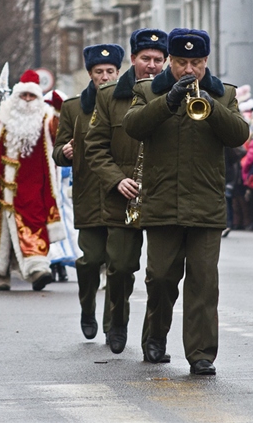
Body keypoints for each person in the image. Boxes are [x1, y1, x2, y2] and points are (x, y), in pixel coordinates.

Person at [122, 28, 249, 376]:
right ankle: (155, 336)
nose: (188, 69)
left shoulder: (225, 94)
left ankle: (201, 354)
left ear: (206, 61)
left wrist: (209, 106)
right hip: (162, 202)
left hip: (206, 204)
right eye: (181, 62)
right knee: (160, 277)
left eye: (196, 62)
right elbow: (132, 126)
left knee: (204, 282)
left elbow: (239, 134)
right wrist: (168, 101)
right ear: (170, 61)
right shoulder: (147, 90)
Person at [83, 28, 169, 353]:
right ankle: (117, 322)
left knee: (160, 275)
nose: (151, 65)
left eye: (158, 59)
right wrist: (116, 179)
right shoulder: (108, 96)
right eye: (145, 58)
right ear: (132, 59)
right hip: (122, 195)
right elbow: (94, 147)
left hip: (162, 196)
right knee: (119, 266)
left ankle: (153, 340)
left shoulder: (173, 93)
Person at [53, 43, 125, 341]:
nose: (105, 77)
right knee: (90, 259)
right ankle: (87, 308)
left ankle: (113, 323)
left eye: (110, 71)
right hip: (88, 194)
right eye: (99, 72)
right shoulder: (73, 107)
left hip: (119, 194)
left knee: (119, 264)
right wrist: (65, 152)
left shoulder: (128, 103)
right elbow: (57, 150)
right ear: (90, 74)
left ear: (118, 72)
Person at [0, 70, 62, 291]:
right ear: (16, 96)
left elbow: (60, 134)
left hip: (34, 186)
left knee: (34, 224)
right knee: (3, 230)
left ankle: (38, 269)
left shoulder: (46, 118)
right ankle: (2, 272)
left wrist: (61, 110)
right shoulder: (3, 116)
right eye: (23, 96)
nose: (26, 101)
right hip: (1, 185)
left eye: (31, 96)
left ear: (38, 98)